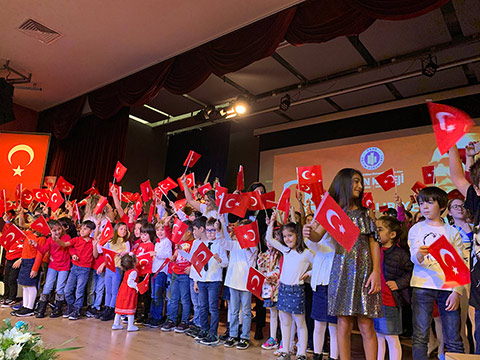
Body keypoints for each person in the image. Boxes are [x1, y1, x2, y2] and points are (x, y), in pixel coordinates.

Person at [303, 168, 382, 360]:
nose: (360, 186)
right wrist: (307, 231)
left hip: (365, 274)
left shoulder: (366, 213)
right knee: (343, 323)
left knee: (366, 324)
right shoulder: (332, 212)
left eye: (361, 182)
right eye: (356, 181)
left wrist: (376, 272)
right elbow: (316, 235)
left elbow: (374, 243)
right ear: (344, 183)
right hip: (340, 272)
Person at [408, 186, 465, 359]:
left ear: (441, 206)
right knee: (420, 335)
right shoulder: (416, 229)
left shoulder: (452, 231)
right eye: (421, 203)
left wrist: (457, 291)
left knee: (453, 336)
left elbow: (460, 263)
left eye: (430, 202)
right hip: (422, 285)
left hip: (448, 288)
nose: (424, 206)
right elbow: (413, 258)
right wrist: (419, 254)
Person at [266, 213, 314, 360]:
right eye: (285, 236)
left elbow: (319, 264)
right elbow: (269, 239)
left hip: (297, 290)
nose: (287, 239)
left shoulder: (306, 253)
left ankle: (301, 353)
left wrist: (309, 274)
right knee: (285, 322)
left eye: (290, 236)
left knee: (300, 323)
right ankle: (285, 350)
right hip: (284, 290)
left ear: (298, 235)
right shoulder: (286, 251)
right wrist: (272, 221)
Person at [374, 216, 413, 360]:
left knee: (391, 337)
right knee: (378, 336)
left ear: (392, 234)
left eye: (380, 229)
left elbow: (411, 272)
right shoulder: (375, 250)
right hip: (376, 300)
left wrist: (398, 283)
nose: (376, 232)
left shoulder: (400, 254)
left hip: (391, 301)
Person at [217, 216, 258, 350]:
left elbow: (251, 261)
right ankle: (233, 335)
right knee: (233, 310)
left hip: (245, 283)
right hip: (233, 281)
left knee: (246, 311)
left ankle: (245, 337)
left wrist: (247, 247)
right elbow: (223, 242)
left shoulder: (252, 247)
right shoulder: (234, 244)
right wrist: (219, 229)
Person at [191, 217, 228, 345]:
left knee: (213, 307)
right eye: (208, 230)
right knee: (202, 306)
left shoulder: (220, 245)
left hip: (214, 280)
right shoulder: (202, 244)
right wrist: (196, 280)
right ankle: (204, 329)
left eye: (213, 230)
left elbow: (225, 263)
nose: (210, 233)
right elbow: (197, 263)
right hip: (202, 280)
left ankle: (213, 333)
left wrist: (219, 260)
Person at [304, 224, 339, 360]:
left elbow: (333, 248)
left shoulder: (336, 243)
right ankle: (317, 354)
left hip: (333, 288)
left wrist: (328, 229)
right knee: (319, 324)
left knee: (333, 326)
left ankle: (334, 356)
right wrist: (311, 230)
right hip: (319, 287)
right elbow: (311, 243)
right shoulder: (317, 246)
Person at [447, 197, 475, 353]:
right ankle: (465, 353)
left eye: (463, 206)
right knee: (461, 321)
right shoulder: (448, 231)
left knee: (475, 319)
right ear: (449, 211)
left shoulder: (475, 228)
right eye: (455, 206)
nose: (460, 208)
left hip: (475, 279)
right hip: (460, 280)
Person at [31, 220, 72, 318]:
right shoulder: (49, 240)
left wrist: (56, 239)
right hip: (53, 266)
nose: (57, 232)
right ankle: (41, 309)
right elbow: (44, 250)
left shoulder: (67, 237)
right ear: (50, 232)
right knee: (47, 286)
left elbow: (64, 244)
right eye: (54, 230)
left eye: (59, 229)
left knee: (60, 287)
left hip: (64, 266)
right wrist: (35, 245)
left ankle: (58, 309)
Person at [161, 220, 194, 333]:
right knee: (173, 297)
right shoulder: (179, 242)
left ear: (189, 232)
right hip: (175, 273)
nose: (180, 234)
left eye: (183, 232)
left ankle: (184, 321)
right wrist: (173, 257)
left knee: (185, 299)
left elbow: (193, 258)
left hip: (185, 274)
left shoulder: (193, 243)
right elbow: (176, 254)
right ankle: (172, 319)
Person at [61, 220, 97, 320]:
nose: (82, 230)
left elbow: (95, 255)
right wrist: (73, 254)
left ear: (91, 231)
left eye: (85, 229)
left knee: (79, 291)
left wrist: (94, 245)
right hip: (74, 268)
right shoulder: (76, 239)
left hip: (85, 269)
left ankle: (77, 309)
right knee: (67, 290)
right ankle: (71, 306)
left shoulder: (92, 241)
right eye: (81, 228)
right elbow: (67, 246)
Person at [97, 221, 130, 321]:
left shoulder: (125, 243)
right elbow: (100, 250)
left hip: (118, 268)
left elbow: (128, 253)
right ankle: (106, 307)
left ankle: (111, 309)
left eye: (125, 229)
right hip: (109, 268)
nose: (123, 231)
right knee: (108, 290)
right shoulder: (110, 241)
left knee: (115, 290)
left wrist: (124, 253)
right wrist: (99, 241)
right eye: (121, 229)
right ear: (116, 230)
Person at [145, 219, 172, 328]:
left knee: (158, 295)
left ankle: (157, 317)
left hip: (161, 272)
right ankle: (152, 315)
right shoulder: (157, 242)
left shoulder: (167, 242)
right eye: (158, 230)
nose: (160, 232)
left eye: (162, 230)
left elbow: (168, 255)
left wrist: (156, 253)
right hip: (154, 271)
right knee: (153, 295)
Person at [259, 228, 281, 351]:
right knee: (273, 313)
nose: (269, 243)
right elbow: (261, 270)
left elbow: (279, 268)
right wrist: (261, 265)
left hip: (278, 287)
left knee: (283, 315)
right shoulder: (264, 255)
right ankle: (273, 338)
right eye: (267, 240)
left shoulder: (280, 254)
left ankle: (284, 339)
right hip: (268, 288)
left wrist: (274, 276)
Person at [112, 253, 140, 332]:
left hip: (123, 290)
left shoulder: (127, 271)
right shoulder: (134, 271)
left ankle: (116, 323)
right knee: (130, 306)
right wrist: (137, 286)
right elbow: (130, 282)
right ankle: (130, 325)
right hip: (129, 292)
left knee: (120, 307)